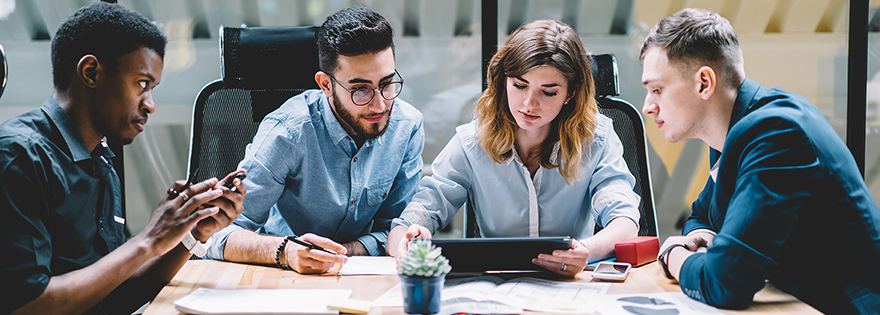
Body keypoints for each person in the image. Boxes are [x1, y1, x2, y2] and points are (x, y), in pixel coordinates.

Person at [0, 3, 246, 314]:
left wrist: (193, 232)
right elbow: (26, 305)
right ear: (91, 72)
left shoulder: (102, 162)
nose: (151, 105)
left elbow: (114, 297)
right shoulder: (19, 157)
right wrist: (147, 240)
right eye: (142, 84)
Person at [641, 8, 880, 313]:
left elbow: (726, 282)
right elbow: (701, 216)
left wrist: (674, 255)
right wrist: (700, 238)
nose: (648, 106)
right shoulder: (736, 131)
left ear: (703, 83)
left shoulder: (778, 133)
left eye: (657, 90)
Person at [386, 20, 640, 277]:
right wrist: (406, 241)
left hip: (571, 285)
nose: (529, 103)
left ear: (571, 93)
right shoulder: (472, 141)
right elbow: (413, 218)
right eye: (519, 86)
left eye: (548, 92)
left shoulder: (596, 138)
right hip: (493, 289)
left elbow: (625, 222)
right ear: (504, 80)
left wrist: (584, 251)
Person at [205, 6, 424, 274]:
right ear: (325, 85)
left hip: (361, 275)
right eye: (360, 90)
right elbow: (216, 235)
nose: (379, 104)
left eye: (387, 84)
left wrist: (350, 250)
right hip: (281, 275)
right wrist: (286, 251)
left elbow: (395, 227)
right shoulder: (287, 132)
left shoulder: (407, 126)